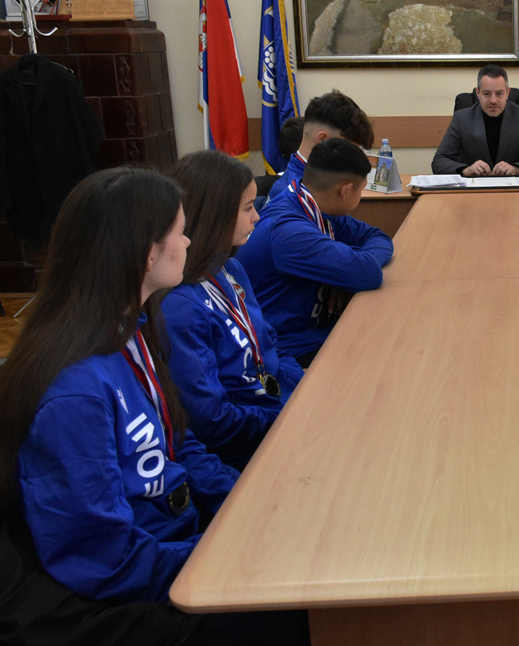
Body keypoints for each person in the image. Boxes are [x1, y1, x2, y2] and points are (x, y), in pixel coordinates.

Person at [0, 166, 307, 644]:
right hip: (141, 586)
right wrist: (228, 555)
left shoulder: (131, 329)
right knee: (306, 610)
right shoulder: (75, 392)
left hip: (178, 540)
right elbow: (105, 558)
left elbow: (178, 443)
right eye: (180, 233)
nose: (189, 242)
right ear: (147, 253)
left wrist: (247, 505)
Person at [162, 151, 305, 471]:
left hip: (279, 413)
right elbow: (212, 420)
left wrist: (305, 389)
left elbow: (270, 347)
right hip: (249, 447)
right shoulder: (180, 307)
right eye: (248, 208)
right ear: (215, 214)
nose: (257, 217)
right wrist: (289, 417)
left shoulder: (231, 269)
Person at [238, 138, 394, 368]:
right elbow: (369, 273)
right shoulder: (289, 231)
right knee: (387, 349)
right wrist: (351, 268)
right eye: (360, 190)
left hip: (311, 332)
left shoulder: (314, 205)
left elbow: (378, 238)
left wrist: (345, 272)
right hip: (283, 348)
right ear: (345, 191)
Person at [431, 65, 519, 176]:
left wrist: (516, 169)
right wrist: (465, 170)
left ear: (507, 93)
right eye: (487, 94)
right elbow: (439, 162)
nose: (493, 100)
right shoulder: (461, 118)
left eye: (499, 94)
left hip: (513, 187)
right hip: (475, 187)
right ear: (478, 93)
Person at [266, 90, 375, 203]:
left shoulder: (320, 182)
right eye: (348, 150)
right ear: (323, 140)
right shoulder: (294, 196)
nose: (352, 159)